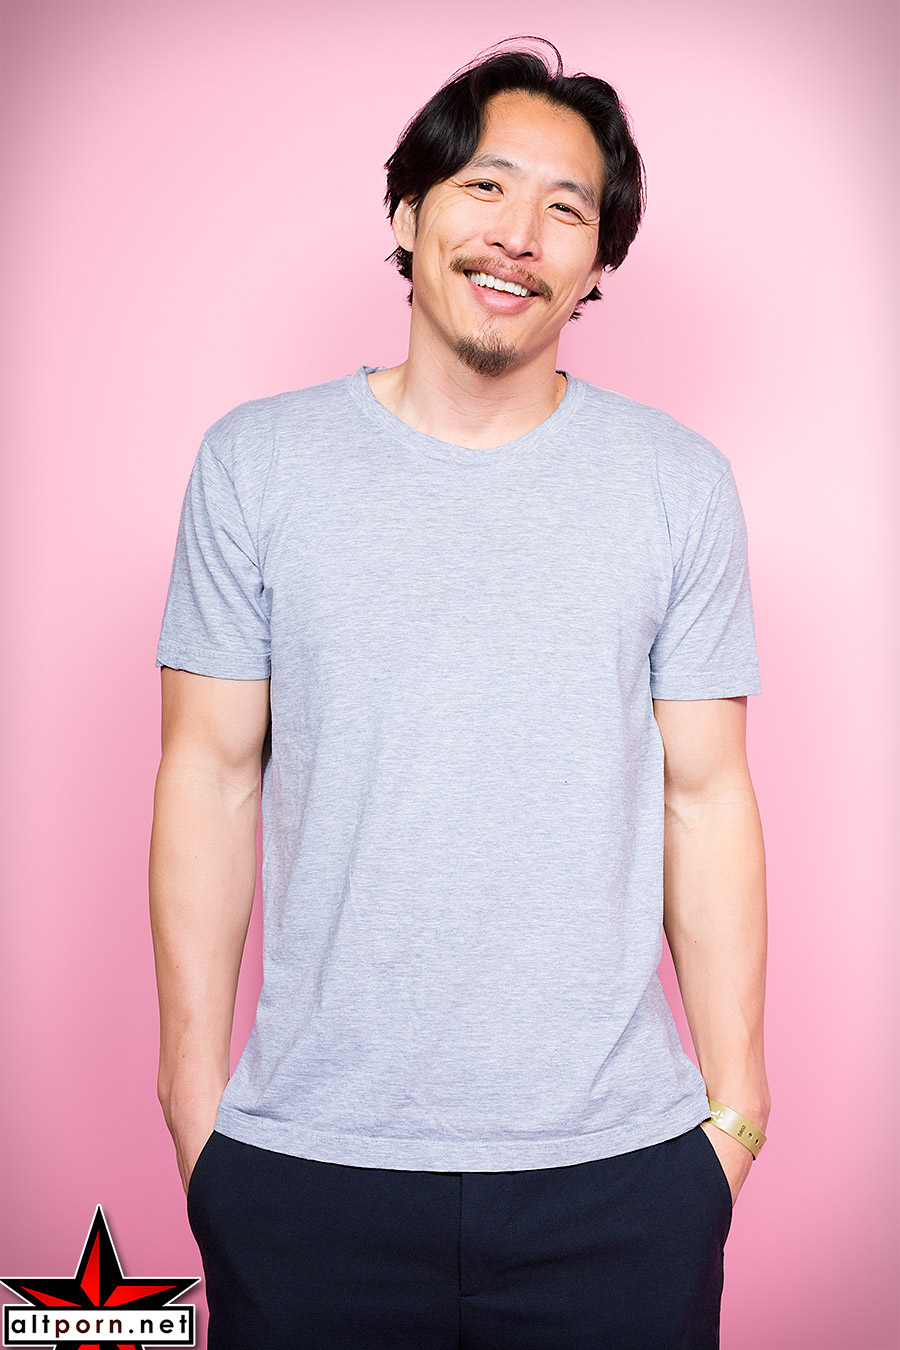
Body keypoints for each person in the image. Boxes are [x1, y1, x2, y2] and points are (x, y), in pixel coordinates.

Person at [150, 37, 770, 1350]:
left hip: (622, 1177)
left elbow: (707, 796)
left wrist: (735, 1116)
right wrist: (197, 1115)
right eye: (484, 186)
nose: (518, 236)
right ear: (407, 212)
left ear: (596, 262)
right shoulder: (257, 464)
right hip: (305, 1164)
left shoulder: (677, 483)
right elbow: (209, 775)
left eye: (566, 208)